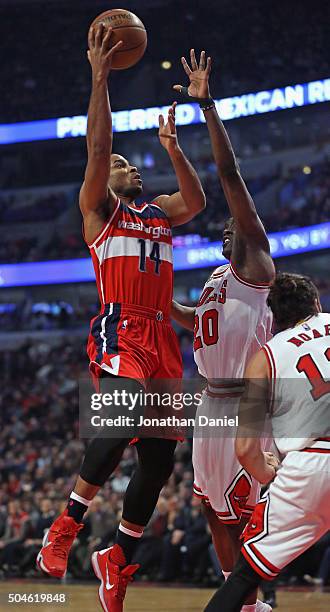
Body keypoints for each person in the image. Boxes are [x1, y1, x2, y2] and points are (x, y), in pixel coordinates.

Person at [37, 26, 205, 612]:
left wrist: (173, 148)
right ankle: (64, 527)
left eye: (130, 162)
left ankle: (118, 558)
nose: (125, 165)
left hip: (162, 336)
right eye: (119, 163)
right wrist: (101, 79)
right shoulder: (100, 212)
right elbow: (96, 143)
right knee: (117, 423)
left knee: (160, 458)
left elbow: (197, 204)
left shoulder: (157, 212)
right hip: (122, 326)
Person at [171, 50, 275, 612]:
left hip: (247, 401)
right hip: (209, 401)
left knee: (250, 505)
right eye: (235, 217)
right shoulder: (216, 275)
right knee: (213, 508)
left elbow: (229, 175)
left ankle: (254, 596)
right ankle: (244, 599)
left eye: (246, 214)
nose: (240, 215)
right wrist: (153, 297)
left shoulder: (257, 263)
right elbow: (195, 321)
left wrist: (205, 104)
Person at [204, 272, 330, 611]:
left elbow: (245, 449)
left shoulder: (265, 356)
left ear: (275, 317)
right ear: (316, 304)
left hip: (312, 465)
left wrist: (270, 475)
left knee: (244, 575)